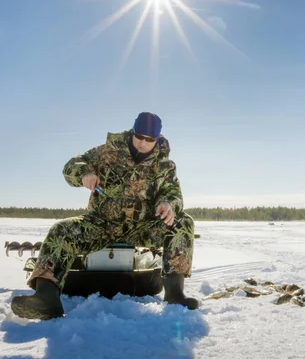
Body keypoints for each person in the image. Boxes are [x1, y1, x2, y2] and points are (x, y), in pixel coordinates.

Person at [11, 112, 199, 320]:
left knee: (183, 222)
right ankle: (45, 298)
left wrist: (168, 204)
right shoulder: (108, 152)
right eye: (139, 137)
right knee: (61, 229)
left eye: (149, 140)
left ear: (157, 139)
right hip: (101, 224)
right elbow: (72, 165)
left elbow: (174, 195)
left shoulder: (165, 166)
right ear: (132, 132)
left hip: (142, 226)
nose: (143, 143)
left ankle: (174, 294)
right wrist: (84, 173)